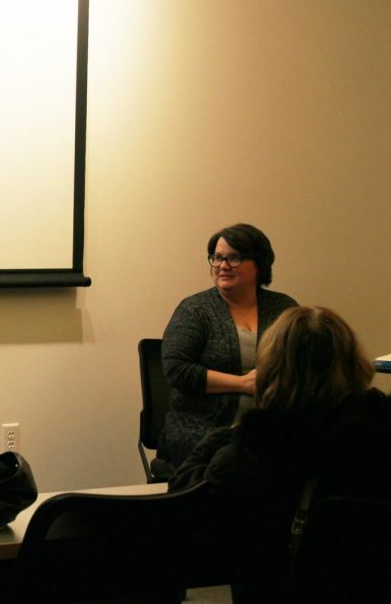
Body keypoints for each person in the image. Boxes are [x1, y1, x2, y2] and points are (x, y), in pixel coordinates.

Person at [169, 306, 390, 601]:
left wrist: (230, 432)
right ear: (354, 362)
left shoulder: (256, 450)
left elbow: (186, 494)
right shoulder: (378, 430)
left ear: (270, 369)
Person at [156, 223, 297, 469]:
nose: (223, 266)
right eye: (217, 258)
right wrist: (244, 384)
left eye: (234, 258)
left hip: (272, 429)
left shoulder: (283, 308)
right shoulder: (195, 310)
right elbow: (176, 370)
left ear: (260, 264)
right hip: (202, 432)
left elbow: (303, 364)